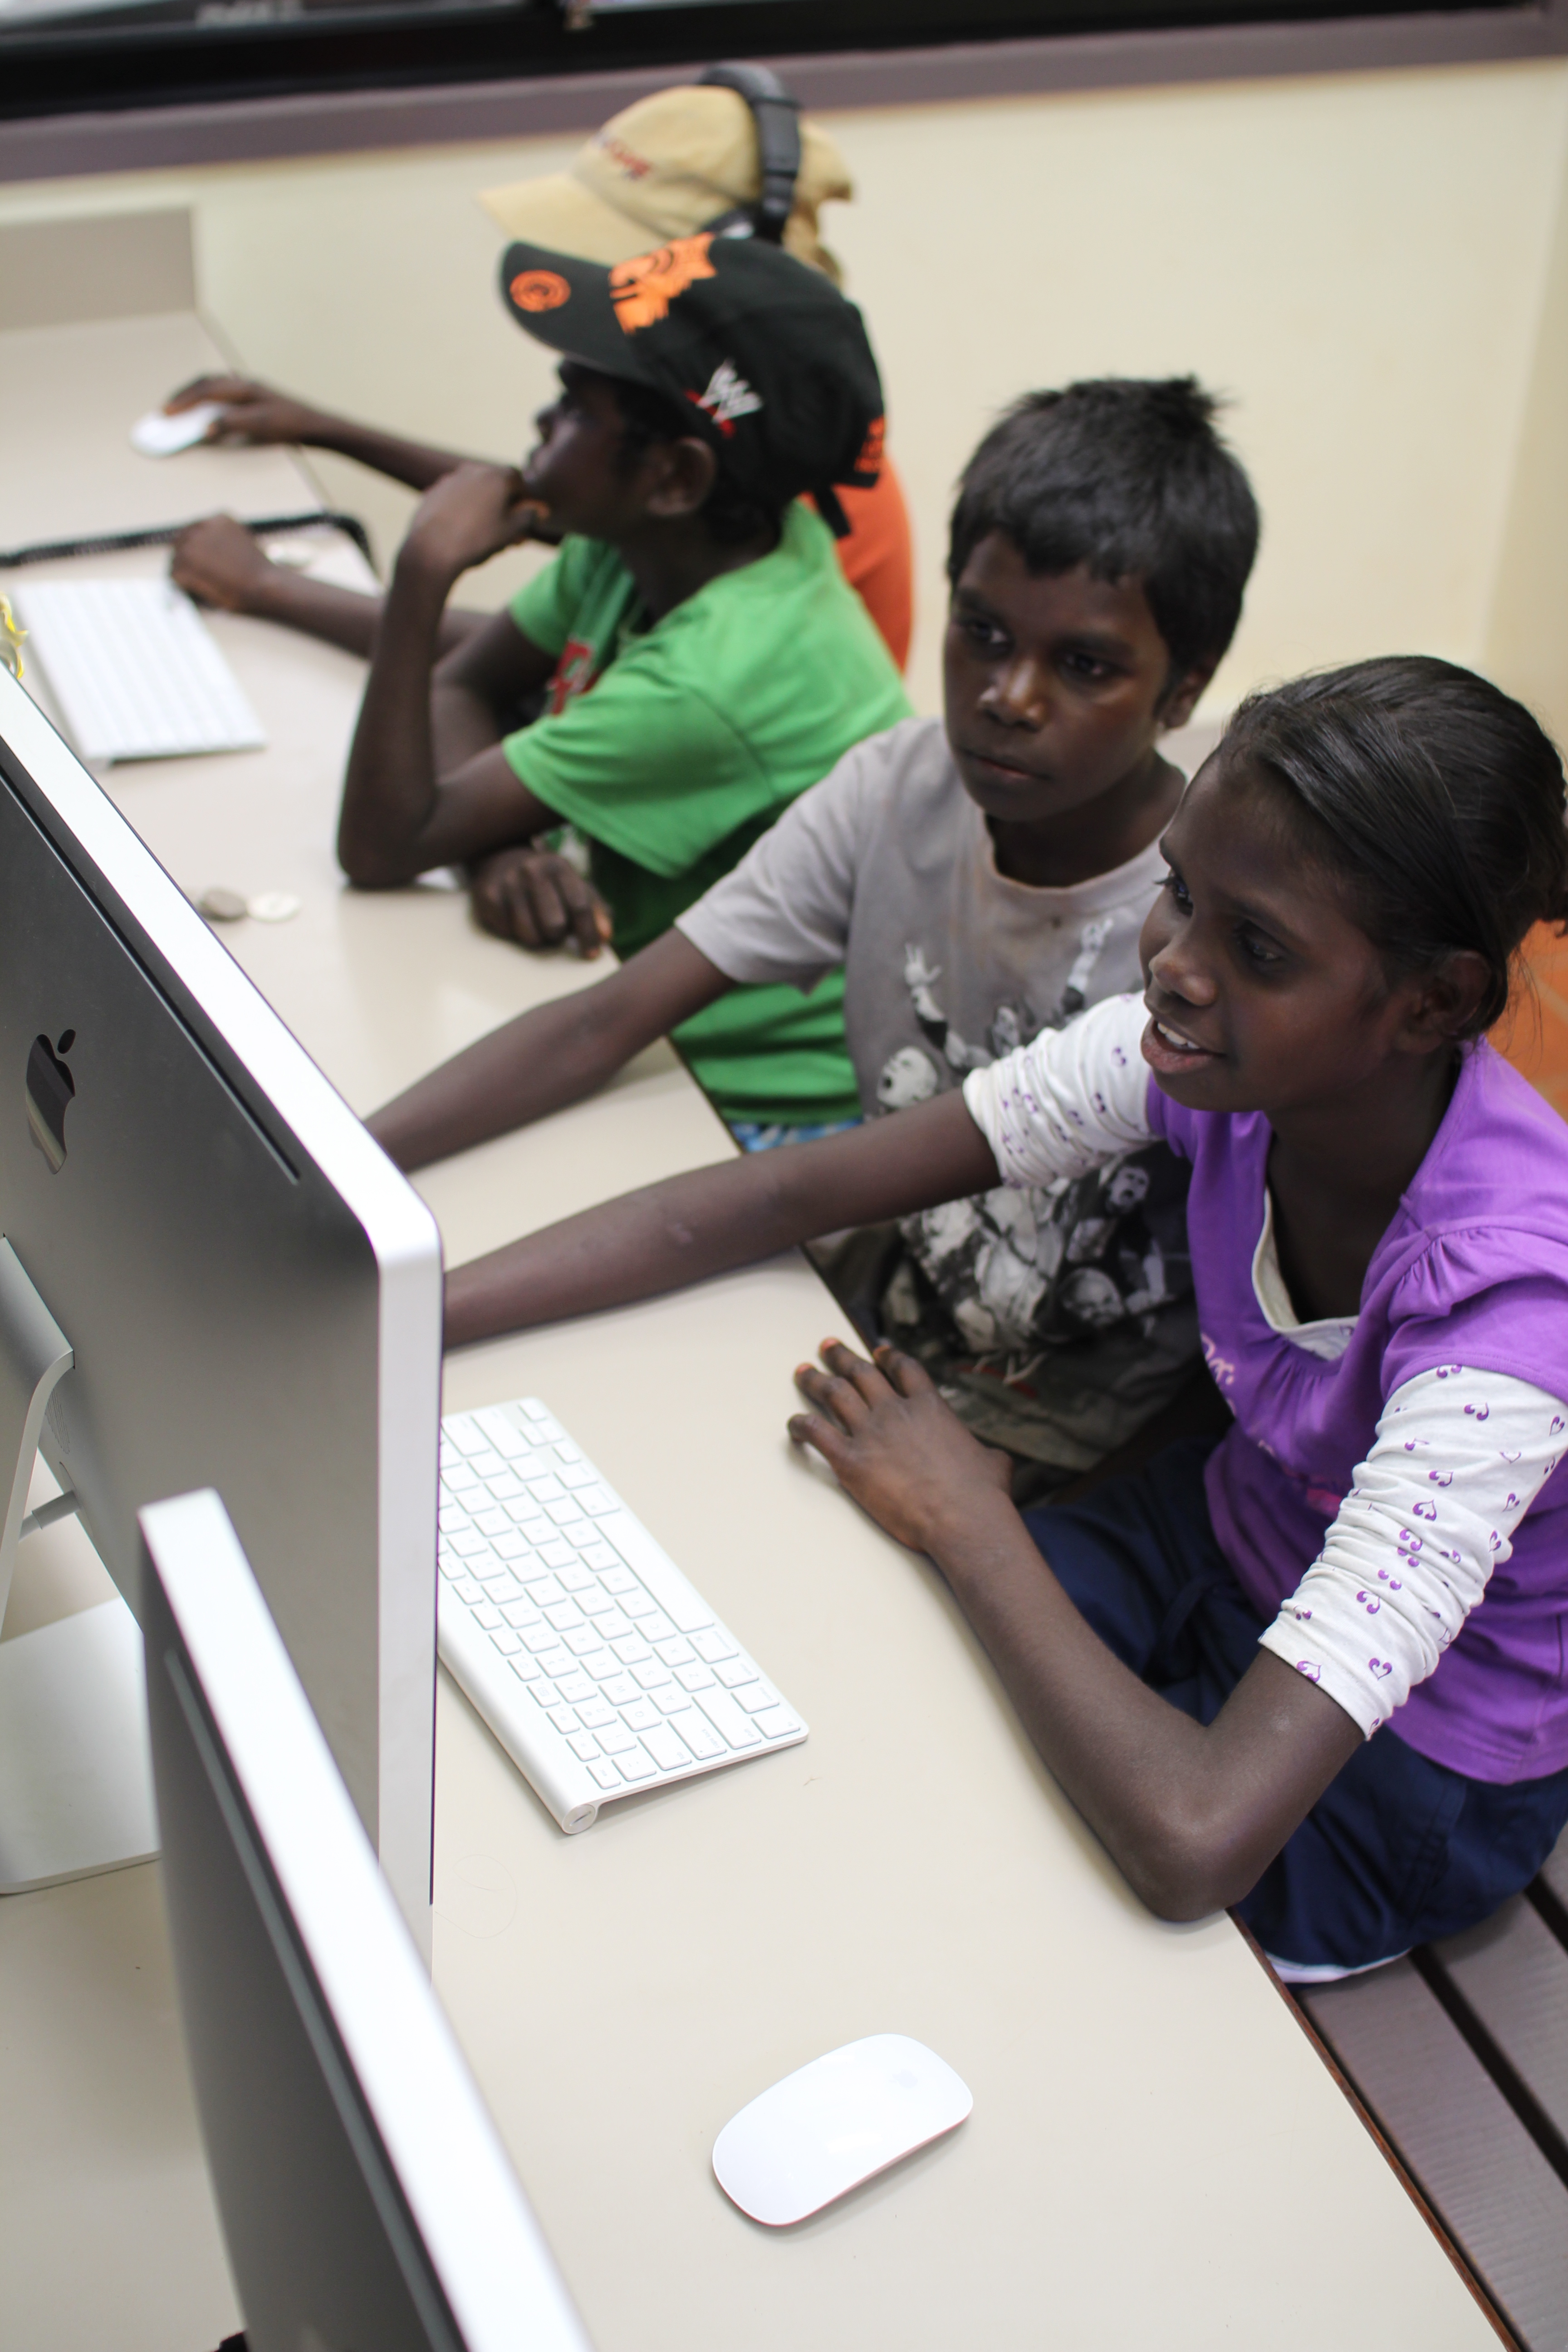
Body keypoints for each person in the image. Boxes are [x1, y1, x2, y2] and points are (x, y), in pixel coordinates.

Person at [448, 656, 1568, 1977]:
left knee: (1005, 1898)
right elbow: (778, 1197)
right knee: (861, 1678)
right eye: (1180, 893)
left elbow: (1197, 1839)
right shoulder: (1204, 1058)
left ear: (1435, 1002)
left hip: (1408, 1762)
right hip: (1222, 1534)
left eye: (1256, 948)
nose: (1176, 965)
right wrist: (417, 1309)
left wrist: (973, 1522)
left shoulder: (1508, 1317)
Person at [372, 379, 1259, 1484]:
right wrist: (347, 1170)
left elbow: (1229, 1365)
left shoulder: (1207, 936)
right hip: (885, 1321)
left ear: (1183, 689)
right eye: (981, 633)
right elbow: (604, 1023)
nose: (1009, 696)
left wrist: (1027, 1495)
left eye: (1084, 665)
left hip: (1073, 1443)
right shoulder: (897, 789)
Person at [334, 231, 910, 1137]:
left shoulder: (715, 679)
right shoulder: (664, 543)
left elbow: (380, 843)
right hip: (636, 1013)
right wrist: (496, 850)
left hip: (751, 1105)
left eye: (574, 407)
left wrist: (423, 569)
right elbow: (459, 690)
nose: (542, 424)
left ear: (674, 476)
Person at [162, 78, 914, 670]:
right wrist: (321, 427)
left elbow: (545, 660)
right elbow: (545, 502)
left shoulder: (777, 463)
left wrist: (268, 589)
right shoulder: (715, 438)